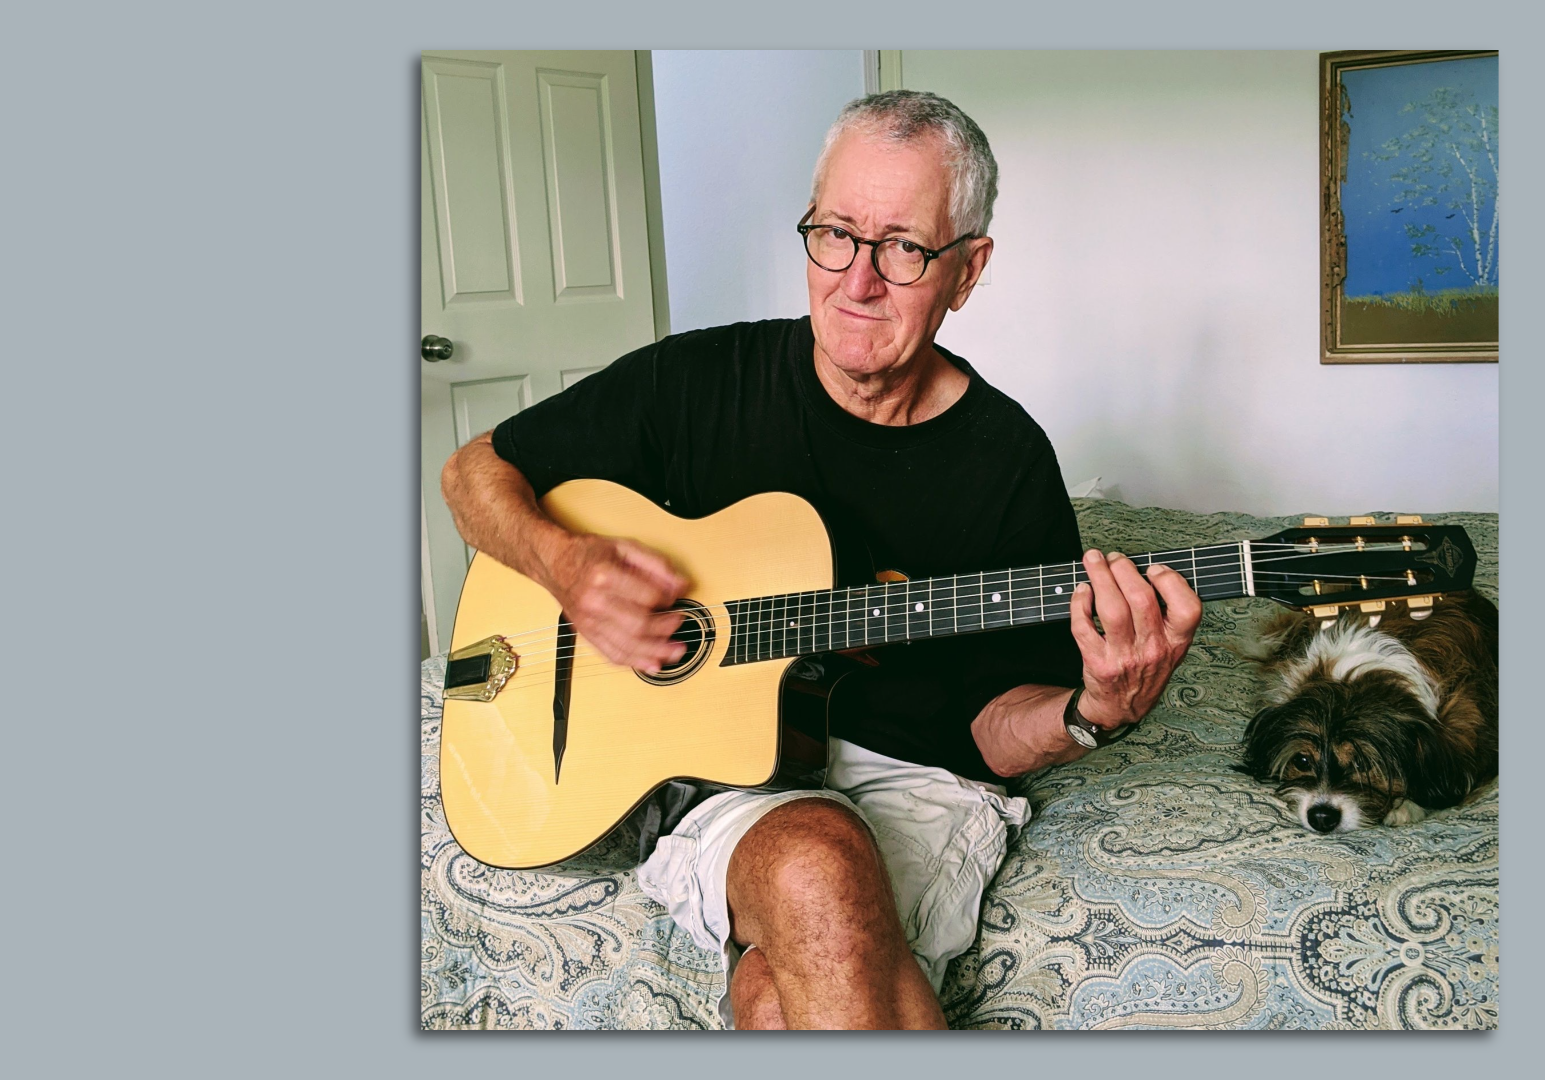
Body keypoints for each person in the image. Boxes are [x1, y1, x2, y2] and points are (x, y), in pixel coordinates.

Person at [439, 90, 1201, 1029]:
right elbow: (475, 473)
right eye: (834, 233)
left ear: (968, 271)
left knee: (771, 993)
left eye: (905, 248)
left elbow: (998, 725)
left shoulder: (1006, 461)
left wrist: (1095, 712)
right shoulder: (698, 383)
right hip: (711, 781)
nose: (857, 280)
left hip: (921, 781)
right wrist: (566, 569)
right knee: (815, 856)